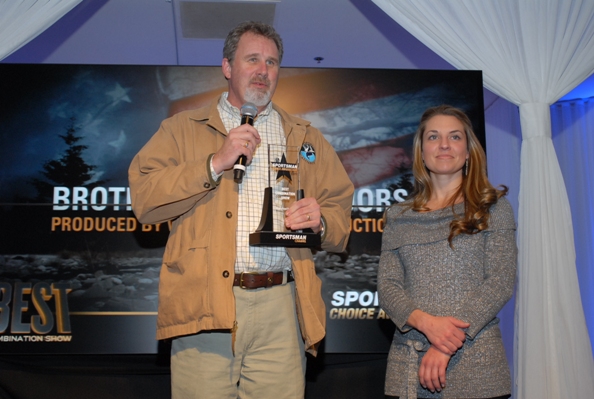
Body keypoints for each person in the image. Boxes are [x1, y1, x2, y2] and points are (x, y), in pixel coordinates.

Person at [128, 21, 353, 399]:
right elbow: (144, 199)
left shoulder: (304, 136)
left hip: (282, 309)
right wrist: (214, 163)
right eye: (252, 60)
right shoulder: (181, 128)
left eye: (272, 62)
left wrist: (322, 220)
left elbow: (341, 215)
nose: (263, 71)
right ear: (228, 67)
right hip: (207, 305)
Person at [378, 105, 516, 399]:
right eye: (433, 137)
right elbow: (387, 287)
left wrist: (444, 344)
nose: (443, 144)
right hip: (407, 365)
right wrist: (428, 325)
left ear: (468, 151)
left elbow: (500, 281)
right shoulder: (397, 215)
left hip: (477, 366)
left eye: (454, 137)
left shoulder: (494, 208)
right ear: (421, 151)